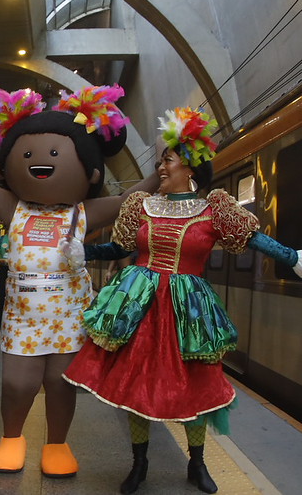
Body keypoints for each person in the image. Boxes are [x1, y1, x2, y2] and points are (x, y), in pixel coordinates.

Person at [63, 107, 302, 494]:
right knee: (135, 384)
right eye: (161, 160)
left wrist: (292, 258)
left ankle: (197, 463)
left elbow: (254, 239)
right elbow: (118, 248)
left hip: (188, 310)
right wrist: (84, 253)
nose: (161, 166)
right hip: (137, 306)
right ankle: (139, 463)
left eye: (168, 160)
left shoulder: (215, 208)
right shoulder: (140, 206)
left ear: (190, 168)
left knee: (195, 384)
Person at [0, 86, 158, 478]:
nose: (41, 162)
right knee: (17, 384)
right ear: (7, 169)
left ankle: (57, 443)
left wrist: (161, 172)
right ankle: (12, 438)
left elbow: (130, 200)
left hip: (68, 319)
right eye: (28, 155)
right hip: (23, 318)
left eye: (56, 154)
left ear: (89, 172)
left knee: (59, 383)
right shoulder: (13, 208)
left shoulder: (82, 213)